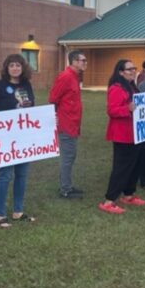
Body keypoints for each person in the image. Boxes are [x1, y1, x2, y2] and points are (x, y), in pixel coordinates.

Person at [0, 54, 37, 227]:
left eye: (18, 65)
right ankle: (0, 215)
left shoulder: (26, 85)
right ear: (6, 68)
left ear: (23, 68)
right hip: (5, 139)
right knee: (5, 176)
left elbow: (31, 111)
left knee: (21, 175)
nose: (15, 68)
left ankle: (18, 211)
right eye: (11, 65)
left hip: (23, 138)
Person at [99, 59, 145, 214]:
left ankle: (128, 194)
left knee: (135, 166)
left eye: (134, 68)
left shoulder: (132, 87)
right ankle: (109, 200)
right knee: (121, 168)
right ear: (120, 72)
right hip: (122, 134)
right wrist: (127, 109)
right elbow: (112, 111)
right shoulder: (116, 88)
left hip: (136, 133)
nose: (133, 71)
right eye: (129, 69)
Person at [48, 50, 86, 199]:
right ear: (74, 62)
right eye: (82, 60)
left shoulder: (74, 77)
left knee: (70, 155)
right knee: (68, 156)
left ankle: (67, 186)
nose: (85, 63)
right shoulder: (65, 76)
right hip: (66, 124)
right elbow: (53, 98)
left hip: (73, 123)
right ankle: (65, 189)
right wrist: (55, 118)